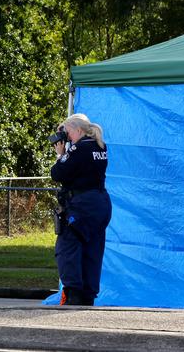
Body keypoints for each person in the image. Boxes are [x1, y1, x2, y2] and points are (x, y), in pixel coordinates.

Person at [51, 113, 112, 306]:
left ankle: (73, 294)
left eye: (67, 133)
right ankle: (88, 295)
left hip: (81, 206)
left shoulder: (79, 149)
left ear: (77, 130)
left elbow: (58, 173)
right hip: (100, 205)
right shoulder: (100, 146)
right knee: (92, 249)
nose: (65, 138)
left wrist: (61, 155)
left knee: (68, 247)